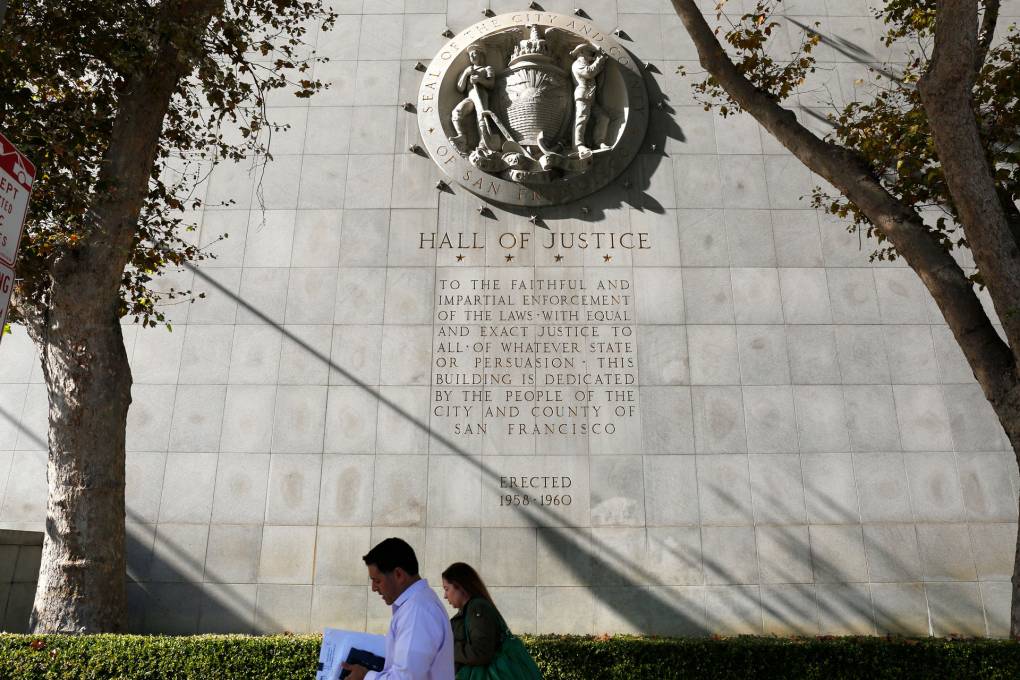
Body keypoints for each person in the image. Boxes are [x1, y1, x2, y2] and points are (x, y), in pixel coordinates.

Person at [342, 538, 455, 680]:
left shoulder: (417, 612)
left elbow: (405, 677)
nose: (373, 588)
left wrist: (366, 677)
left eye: (377, 581)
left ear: (399, 575)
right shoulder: (417, 605)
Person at [441, 562, 541, 679]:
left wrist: (448, 647)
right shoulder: (471, 609)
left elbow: (481, 652)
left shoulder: (477, 608)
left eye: (447, 589)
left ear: (460, 586)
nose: (445, 595)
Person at [569, 42, 610, 154]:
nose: (591, 54)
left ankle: (599, 141)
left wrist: (601, 60)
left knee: (603, 117)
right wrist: (599, 60)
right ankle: (578, 145)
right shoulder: (577, 64)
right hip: (583, 94)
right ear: (581, 52)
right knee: (582, 119)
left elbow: (595, 71)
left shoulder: (586, 63)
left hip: (591, 96)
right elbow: (589, 72)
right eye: (588, 51)